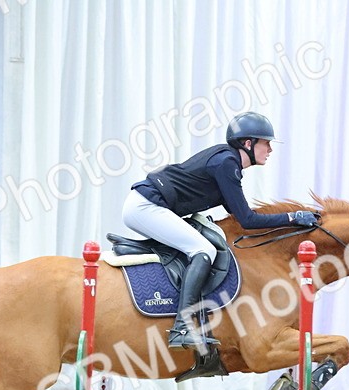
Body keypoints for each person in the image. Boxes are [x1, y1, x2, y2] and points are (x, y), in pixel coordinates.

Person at [123, 111, 319, 349]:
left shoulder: (227, 162)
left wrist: (290, 219)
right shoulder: (226, 163)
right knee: (203, 249)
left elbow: (240, 215)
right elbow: (247, 220)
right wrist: (292, 217)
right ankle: (181, 328)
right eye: (266, 143)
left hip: (149, 204)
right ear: (248, 143)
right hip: (145, 206)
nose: (270, 149)